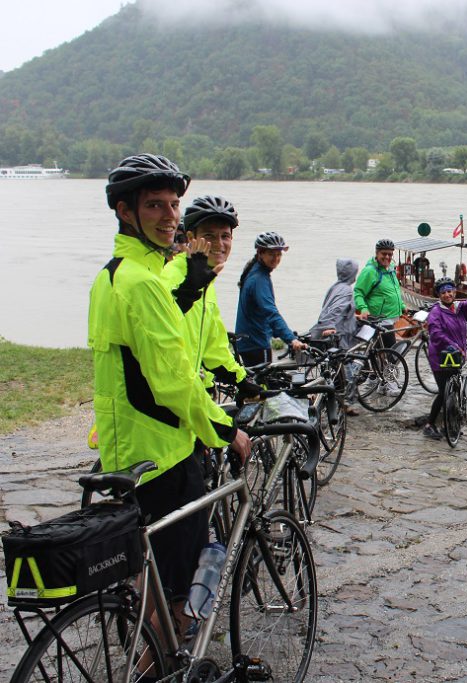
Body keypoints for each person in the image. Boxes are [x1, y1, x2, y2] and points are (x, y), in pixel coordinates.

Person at [90, 154, 251, 646]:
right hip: (164, 452)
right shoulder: (146, 282)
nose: (169, 217)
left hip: (136, 444)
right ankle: (158, 665)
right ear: (125, 211)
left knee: (157, 573)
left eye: (173, 205)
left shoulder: (116, 273)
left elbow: (175, 354)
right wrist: (223, 430)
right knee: (178, 592)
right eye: (155, 205)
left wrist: (242, 380)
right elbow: (174, 379)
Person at [162, 195, 258, 398]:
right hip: (171, 397)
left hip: (195, 392)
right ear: (190, 237)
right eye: (209, 235)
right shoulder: (171, 277)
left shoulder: (206, 281)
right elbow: (157, 338)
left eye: (225, 236)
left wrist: (241, 380)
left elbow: (214, 346)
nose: (219, 243)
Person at [422, 271, 467, 439]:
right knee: (444, 392)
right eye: (443, 292)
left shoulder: (459, 307)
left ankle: (449, 426)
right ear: (439, 295)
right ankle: (430, 424)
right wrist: (455, 346)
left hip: (457, 356)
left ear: (454, 292)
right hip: (440, 358)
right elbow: (436, 335)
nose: (447, 294)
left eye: (450, 291)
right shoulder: (436, 312)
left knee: (455, 392)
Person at [234, 231, 306, 366]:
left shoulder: (255, 271)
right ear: (260, 253)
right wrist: (291, 339)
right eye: (271, 254)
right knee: (267, 385)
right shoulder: (259, 279)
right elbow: (270, 312)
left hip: (248, 341)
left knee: (262, 382)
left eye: (279, 254)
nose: (276, 258)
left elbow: (260, 312)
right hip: (255, 344)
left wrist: (280, 332)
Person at [354, 238, 404, 343]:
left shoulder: (391, 269)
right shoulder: (370, 271)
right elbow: (358, 292)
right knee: (392, 354)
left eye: (390, 254)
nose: (387, 257)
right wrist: (363, 308)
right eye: (384, 254)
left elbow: (394, 290)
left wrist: (402, 306)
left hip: (392, 317)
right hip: (380, 320)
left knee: (383, 354)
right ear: (377, 253)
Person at [308, 258, 360, 348]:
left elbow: (340, 310)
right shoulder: (346, 290)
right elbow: (336, 308)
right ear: (351, 273)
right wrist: (329, 326)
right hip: (340, 336)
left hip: (341, 331)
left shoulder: (335, 287)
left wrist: (354, 317)